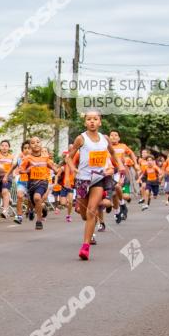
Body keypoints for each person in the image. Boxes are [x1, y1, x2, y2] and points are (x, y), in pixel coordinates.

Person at [67, 110, 121, 260]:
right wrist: (73, 169)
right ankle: (98, 205)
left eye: (95, 119)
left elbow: (113, 153)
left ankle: (85, 246)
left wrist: (120, 165)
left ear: (100, 122)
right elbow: (68, 158)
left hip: (98, 179)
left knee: (91, 212)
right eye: (89, 119)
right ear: (85, 122)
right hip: (83, 180)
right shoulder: (81, 139)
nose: (92, 121)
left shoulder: (105, 139)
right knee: (84, 215)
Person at [19, 136, 61, 230]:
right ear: (30, 146)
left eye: (38, 142)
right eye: (33, 143)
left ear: (41, 144)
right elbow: (20, 170)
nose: (36, 144)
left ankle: (39, 220)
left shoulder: (46, 158)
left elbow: (55, 169)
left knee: (37, 198)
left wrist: (57, 170)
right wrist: (27, 171)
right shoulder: (27, 158)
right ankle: (41, 209)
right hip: (31, 184)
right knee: (33, 201)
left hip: (42, 183)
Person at [108, 131, 137, 223]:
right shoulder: (106, 147)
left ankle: (124, 203)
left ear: (119, 138)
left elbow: (131, 153)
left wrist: (136, 164)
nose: (113, 137)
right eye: (111, 135)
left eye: (116, 135)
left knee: (125, 196)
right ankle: (117, 212)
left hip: (122, 172)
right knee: (114, 194)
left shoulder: (123, 146)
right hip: (112, 172)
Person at [0, 140, 15, 218]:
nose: (4, 147)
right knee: (2, 194)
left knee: (4, 192)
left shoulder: (11, 157)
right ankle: (9, 199)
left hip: (7, 177)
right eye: (2, 145)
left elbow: (14, 165)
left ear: (9, 148)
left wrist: (13, 173)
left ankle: (5, 211)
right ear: (0, 147)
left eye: (6, 146)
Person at [12, 140, 31, 224]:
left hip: (32, 183)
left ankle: (29, 210)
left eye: (29, 148)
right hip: (22, 181)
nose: (27, 150)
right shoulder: (20, 159)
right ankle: (19, 216)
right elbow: (13, 167)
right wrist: (7, 175)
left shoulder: (36, 159)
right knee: (19, 196)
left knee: (31, 200)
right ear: (22, 150)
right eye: (25, 148)